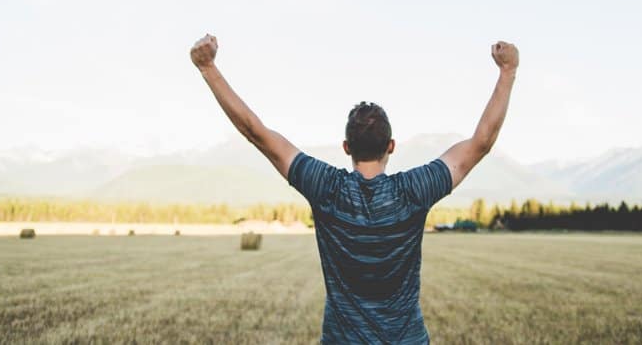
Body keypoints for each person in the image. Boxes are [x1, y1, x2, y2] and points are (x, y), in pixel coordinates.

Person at [190, 34, 519, 344]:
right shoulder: (414, 191)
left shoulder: (326, 188)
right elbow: (482, 143)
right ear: (391, 145)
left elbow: (256, 132)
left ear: (346, 147)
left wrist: (208, 68)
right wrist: (507, 71)